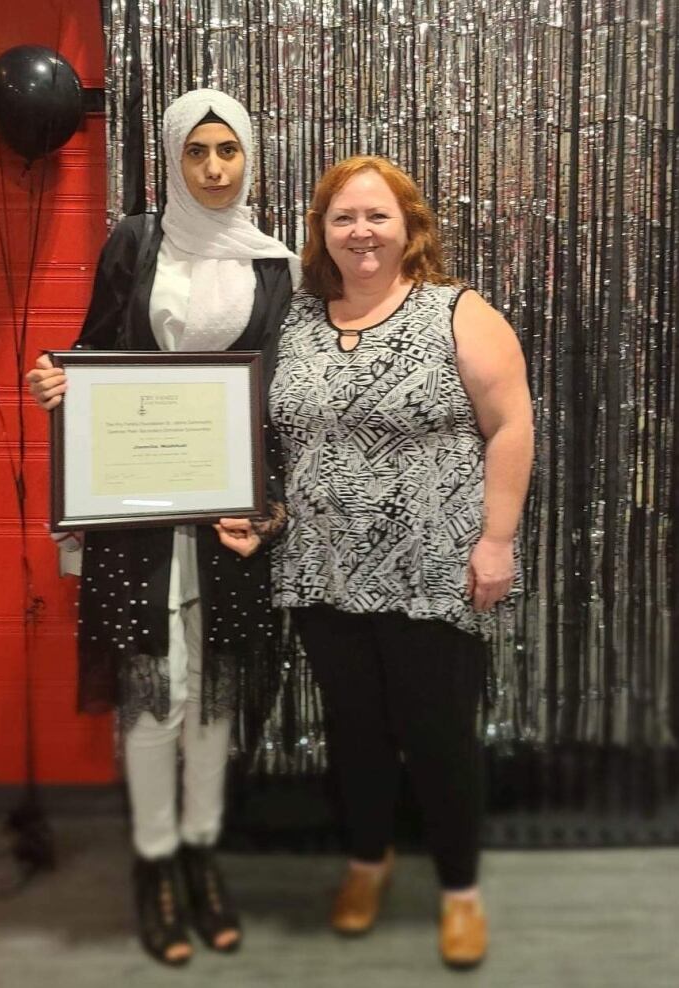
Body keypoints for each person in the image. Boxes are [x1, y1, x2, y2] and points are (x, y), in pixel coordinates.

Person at [27, 89, 298, 967]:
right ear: (174, 159)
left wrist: (275, 504)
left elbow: (283, 403)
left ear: (248, 156)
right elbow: (96, 350)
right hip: (137, 506)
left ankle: (201, 856)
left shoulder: (274, 265)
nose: (215, 169)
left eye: (229, 151)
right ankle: (152, 864)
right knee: (151, 693)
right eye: (197, 152)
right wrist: (62, 387)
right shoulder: (136, 242)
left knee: (213, 695)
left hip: (227, 510)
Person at [268, 155, 533, 969]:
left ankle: (459, 891)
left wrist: (496, 540)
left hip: (433, 565)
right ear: (322, 233)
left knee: (439, 734)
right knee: (354, 733)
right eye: (343, 218)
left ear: (410, 226)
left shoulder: (458, 310)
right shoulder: (298, 322)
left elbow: (512, 424)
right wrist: (269, 515)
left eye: (377, 216)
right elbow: (289, 443)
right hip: (321, 568)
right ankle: (366, 862)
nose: (360, 232)